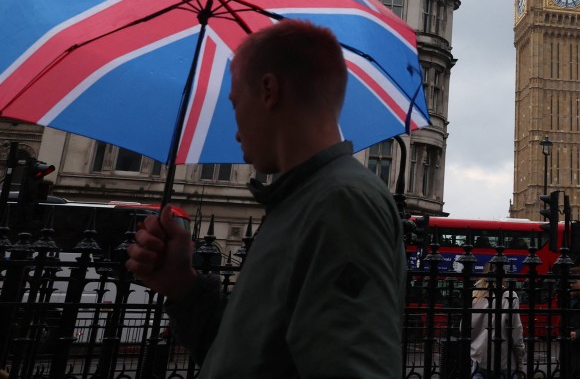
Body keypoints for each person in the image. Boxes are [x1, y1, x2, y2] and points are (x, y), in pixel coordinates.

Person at [126, 20, 406, 378]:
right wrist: (182, 285)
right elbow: (248, 357)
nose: (236, 127)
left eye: (235, 102)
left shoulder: (340, 203)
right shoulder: (303, 201)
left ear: (269, 90)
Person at [469, 263, 525, 378]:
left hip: (479, 360)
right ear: (503, 276)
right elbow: (516, 333)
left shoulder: (475, 296)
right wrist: (519, 363)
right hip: (504, 361)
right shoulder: (509, 296)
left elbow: (464, 328)